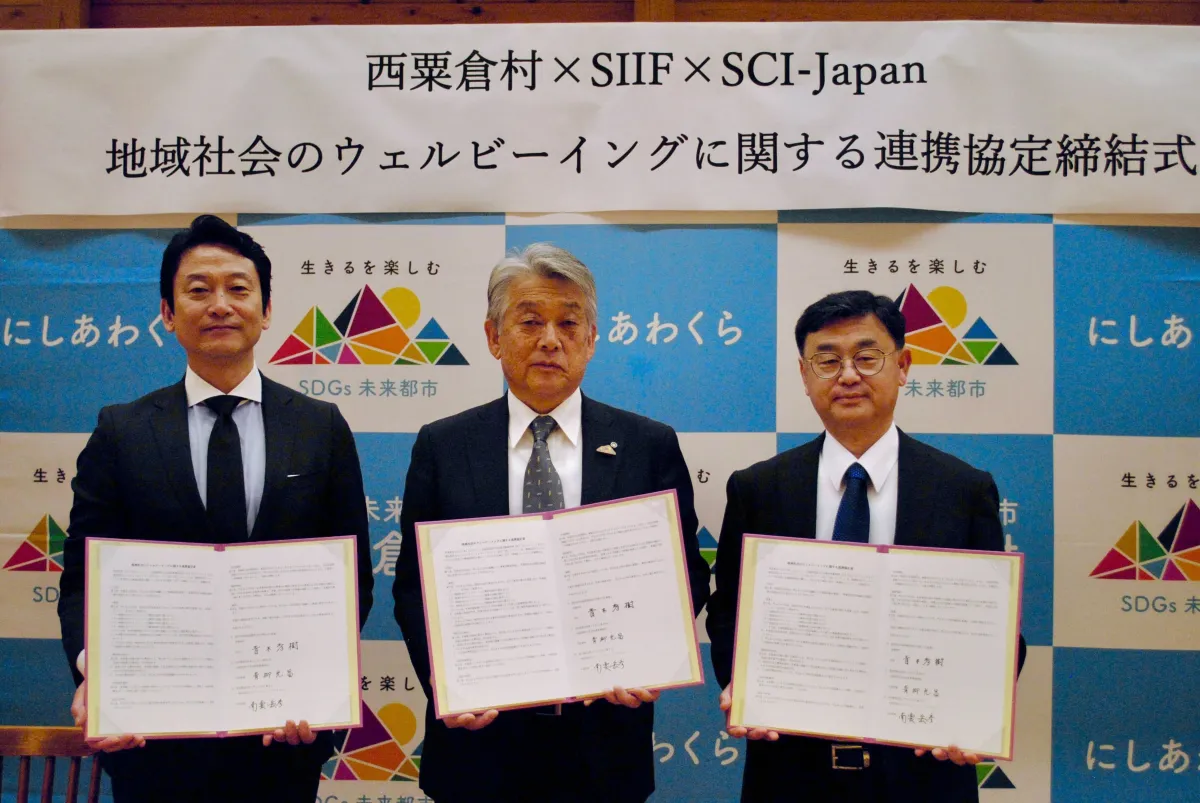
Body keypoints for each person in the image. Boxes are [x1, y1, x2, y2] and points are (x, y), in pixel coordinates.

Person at [57, 214, 374, 803]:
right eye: (198, 290)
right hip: (153, 738)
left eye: (238, 288)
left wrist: (313, 681)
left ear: (267, 309)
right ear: (168, 313)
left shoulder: (320, 428)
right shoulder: (122, 431)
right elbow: (80, 581)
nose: (220, 305)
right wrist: (96, 672)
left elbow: (351, 577)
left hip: (282, 735)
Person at [393, 243, 711, 803]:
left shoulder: (647, 445)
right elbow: (413, 588)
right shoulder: (444, 445)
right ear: (494, 337)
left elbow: (687, 573)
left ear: (591, 339)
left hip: (604, 739)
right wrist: (448, 685)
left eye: (568, 323)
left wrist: (649, 656)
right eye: (530, 321)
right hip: (478, 742)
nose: (549, 340)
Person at [706, 290, 1025, 803]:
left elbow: (995, 627)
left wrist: (976, 709)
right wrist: (742, 688)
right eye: (827, 360)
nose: (848, 375)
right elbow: (728, 613)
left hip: (923, 774)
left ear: (903, 366)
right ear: (805, 375)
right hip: (790, 772)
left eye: (867, 357)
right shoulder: (758, 488)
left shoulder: (963, 490)